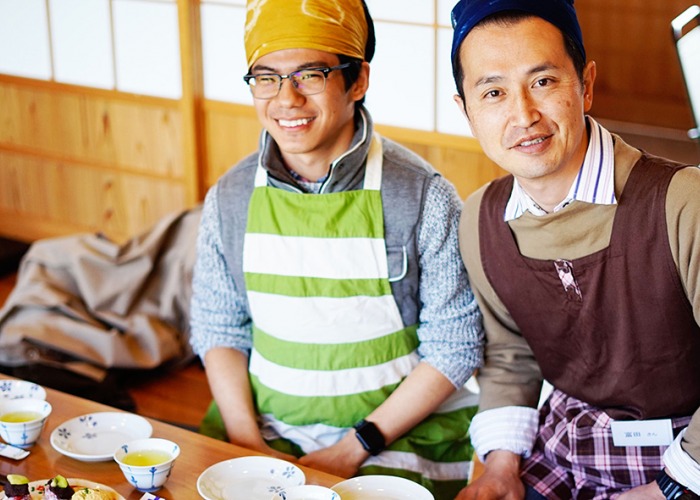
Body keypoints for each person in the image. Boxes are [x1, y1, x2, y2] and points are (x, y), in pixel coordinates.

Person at [188, 0, 484, 497]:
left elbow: (455, 344)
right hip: (265, 431)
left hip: (396, 439)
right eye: (266, 77)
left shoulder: (422, 195)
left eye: (309, 74)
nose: (286, 99)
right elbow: (218, 325)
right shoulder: (231, 197)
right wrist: (245, 441)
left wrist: (354, 446)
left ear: (358, 80)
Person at [449, 0, 700, 498]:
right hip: (565, 442)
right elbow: (510, 355)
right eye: (493, 92)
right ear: (467, 111)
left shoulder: (683, 202)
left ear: (584, 85)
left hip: (685, 454)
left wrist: (670, 487)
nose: (523, 114)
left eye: (543, 82)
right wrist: (500, 469)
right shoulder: (480, 220)